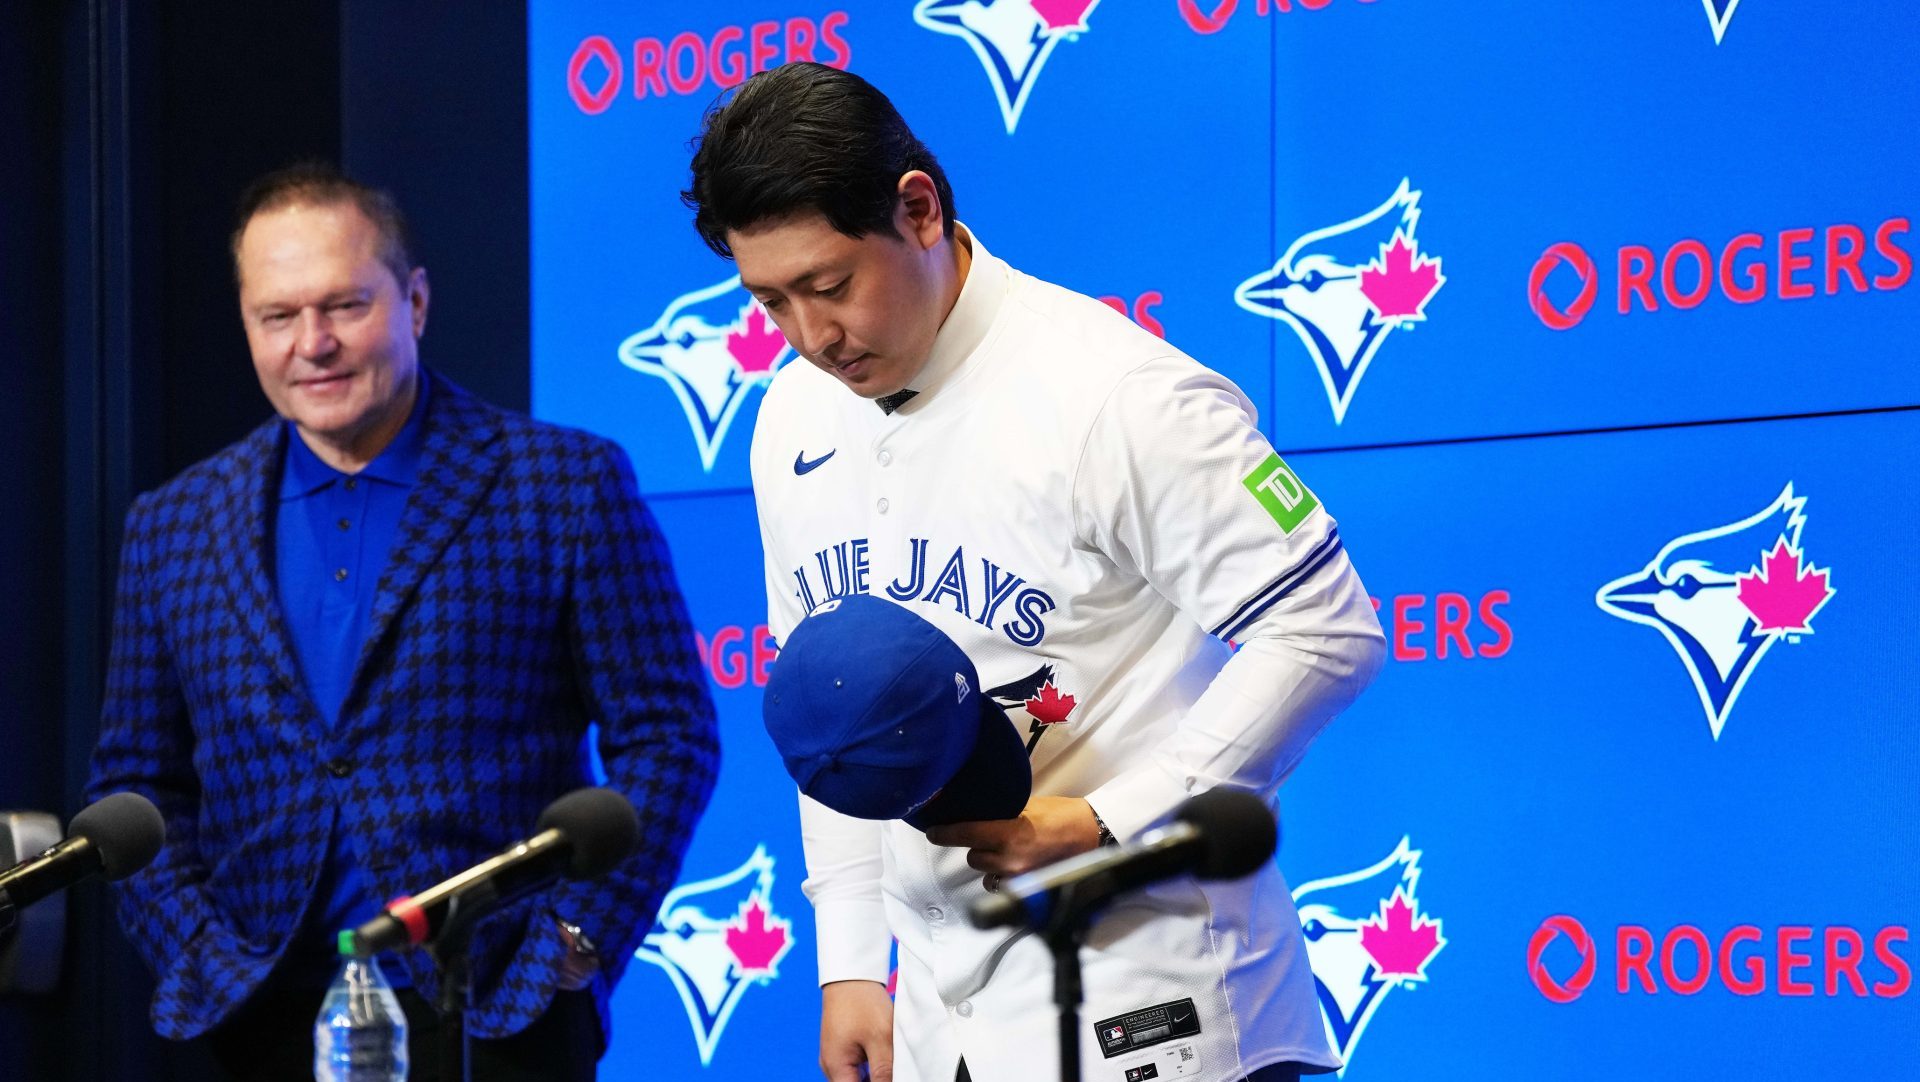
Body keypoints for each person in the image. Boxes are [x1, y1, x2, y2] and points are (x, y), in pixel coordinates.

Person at [684, 64, 1387, 1082]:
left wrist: (1110, 816)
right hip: (937, 1012)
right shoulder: (790, 416)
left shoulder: (1120, 395)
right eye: (771, 300)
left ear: (919, 209)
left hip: (1151, 987)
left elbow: (1326, 629)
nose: (810, 336)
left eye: (832, 286)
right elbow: (829, 713)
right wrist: (849, 962)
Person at [84, 163, 720, 1082]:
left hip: (498, 1010)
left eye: (344, 305)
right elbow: (135, 783)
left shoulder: (565, 483)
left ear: (414, 301)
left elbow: (670, 738)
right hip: (259, 1020)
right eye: (278, 315)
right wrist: (198, 955)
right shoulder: (173, 522)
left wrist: (578, 939)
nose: (315, 343)